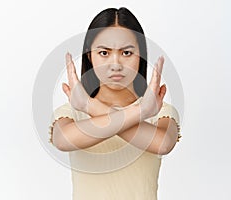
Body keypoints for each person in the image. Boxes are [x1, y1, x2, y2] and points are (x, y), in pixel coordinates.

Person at [48, 7, 181, 200]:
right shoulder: (71, 111)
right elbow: (63, 140)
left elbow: (162, 144)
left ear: (141, 56)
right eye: (104, 53)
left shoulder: (160, 111)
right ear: (89, 56)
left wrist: (89, 106)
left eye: (126, 53)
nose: (116, 64)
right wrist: (141, 111)